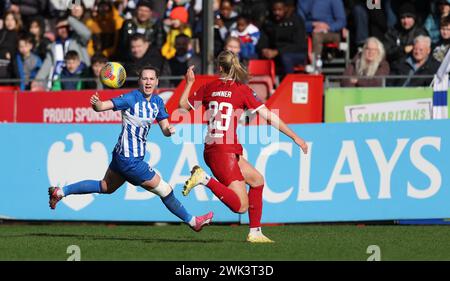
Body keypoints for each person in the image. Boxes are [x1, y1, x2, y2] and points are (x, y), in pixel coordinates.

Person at [48, 65, 213, 232]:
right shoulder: (130, 98)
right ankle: (193, 221)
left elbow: (165, 129)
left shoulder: (157, 102)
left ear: (157, 82)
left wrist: (169, 131)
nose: (148, 82)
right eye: (144, 78)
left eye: (151, 79)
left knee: (106, 186)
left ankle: (60, 192)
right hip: (130, 160)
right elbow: (102, 107)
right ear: (139, 81)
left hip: (121, 156)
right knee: (166, 190)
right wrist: (96, 104)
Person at [178, 51, 308, 243]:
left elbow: (182, 106)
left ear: (219, 68)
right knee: (240, 206)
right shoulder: (242, 90)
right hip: (224, 151)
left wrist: (189, 82)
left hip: (216, 148)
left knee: (257, 180)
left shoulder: (208, 87)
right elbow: (269, 117)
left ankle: (255, 232)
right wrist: (295, 137)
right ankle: (204, 179)